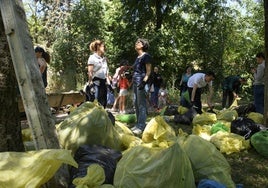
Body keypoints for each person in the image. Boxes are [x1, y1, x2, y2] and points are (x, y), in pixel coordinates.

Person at [131, 38, 152, 135]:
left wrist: (143, 83)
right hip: (135, 82)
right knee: (136, 104)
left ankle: (141, 126)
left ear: (143, 45)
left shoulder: (146, 56)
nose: (136, 43)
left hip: (141, 83)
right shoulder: (137, 57)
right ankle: (138, 123)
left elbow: (148, 71)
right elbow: (136, 70)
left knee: (141, 104)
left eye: (139, 42)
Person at [87, 39, 110, 108]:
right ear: (98, 47)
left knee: (103, 104)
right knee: (95, 104)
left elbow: (106, 73)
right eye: (103, 46)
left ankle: (101, 118)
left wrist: (109, 84)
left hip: (103, 84)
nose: (104, 48)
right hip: (96, 84)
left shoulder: (104, 59)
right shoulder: (92, 58)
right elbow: (90, 72)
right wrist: (90, 83)